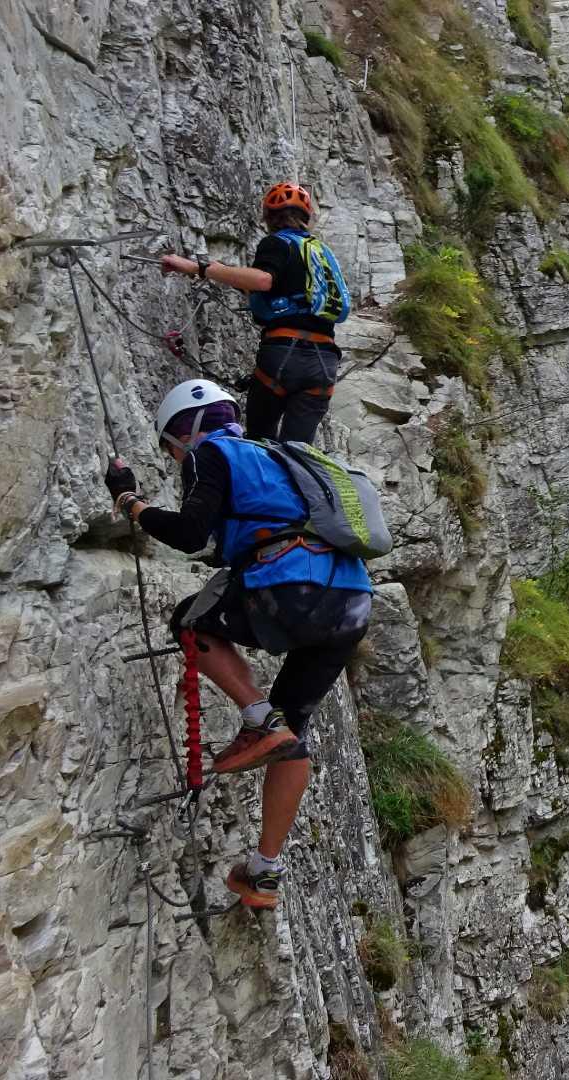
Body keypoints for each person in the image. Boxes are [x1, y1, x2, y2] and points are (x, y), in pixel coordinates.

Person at [104, 379, 372, 908]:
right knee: (293, 736)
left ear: (186, 429)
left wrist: (130, 501)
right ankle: (263, 872)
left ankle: (258, 717)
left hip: (292, 583)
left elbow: (189, 533)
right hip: (352, 598)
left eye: (170, 445)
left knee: (189, 622)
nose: (175, 455)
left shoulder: (212, 453)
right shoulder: (280, 456)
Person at [160, 182, 352, 444]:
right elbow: (289, 296)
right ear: (306, 217)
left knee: (261, 444)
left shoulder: (277, 243)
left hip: (284, 353)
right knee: (299, 453)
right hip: (324, 364)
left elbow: (263, 281)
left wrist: (201, 268)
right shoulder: (320, 253)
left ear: (269, 219)